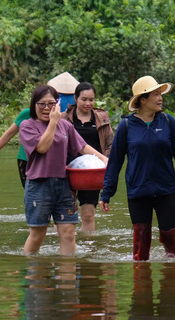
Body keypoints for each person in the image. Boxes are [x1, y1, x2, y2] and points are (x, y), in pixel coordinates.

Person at [99, 76, 175, 261]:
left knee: (170, 236)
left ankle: (171, 277)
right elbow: (115, 162)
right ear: (142, 100)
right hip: (138, 191)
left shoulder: (168, 122)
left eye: (160, 94)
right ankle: (141, 284)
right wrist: (107, 193)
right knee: (141, 242)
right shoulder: (126, 126)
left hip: (166, 189)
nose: (160, 98)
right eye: (155, 94)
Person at [19, 84, 108, 255]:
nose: (47, 108)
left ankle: (67, 278)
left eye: (51, 103)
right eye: (42, 104)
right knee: (38, 234)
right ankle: (33, 275)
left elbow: (82, 147)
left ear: (57, 104)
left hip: (64, 185)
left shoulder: (66, 126)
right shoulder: (27, 126)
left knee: (68, 233)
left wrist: (104, 159)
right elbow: (42, 147)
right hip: (39, 185)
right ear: (34, 105)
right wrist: (53, 122)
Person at [61, 82, 114, 232]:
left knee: (88, 214)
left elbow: (110, 143)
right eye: (84, 99)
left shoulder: (101, 118)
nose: (88, 103)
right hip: (66, 171)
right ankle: (65, 248)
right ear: (75, 98)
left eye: (91, 100)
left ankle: (88, 250)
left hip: (92, 172)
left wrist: (106, 162)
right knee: (67, 213)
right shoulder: (63, 118)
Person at [0, 107, 31, 187]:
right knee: (32, 193)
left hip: (48, 161)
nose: (46, 107)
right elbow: (9, 133)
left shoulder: (55, 115)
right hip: (25, 160)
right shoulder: (28, 113)